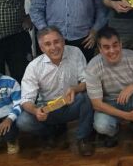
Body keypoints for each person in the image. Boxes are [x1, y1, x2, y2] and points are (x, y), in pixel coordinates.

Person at [16, 27, 94, 156]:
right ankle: (50, 132)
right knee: (23, 121)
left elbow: (87, 80)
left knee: (88, 97)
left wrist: (75, 88)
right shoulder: (34, 66)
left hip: (71, 103)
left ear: (63, 41)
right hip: (48, 108)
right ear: (42, 48)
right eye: (47, 44)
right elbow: (26, 99)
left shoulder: (75, 52)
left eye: (57, 41)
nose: (54, 47)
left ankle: (83, 138)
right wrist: (36, 111)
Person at [87, 26, 133, 156]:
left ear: (121, 44)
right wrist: (127, 116)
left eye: (115, 45)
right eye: (106, 47)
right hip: (108, 103)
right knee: (101, 126)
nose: (112, 50)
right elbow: (96, 104)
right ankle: (113, 133)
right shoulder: (93, 66)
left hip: (131, 99)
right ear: (100, 49)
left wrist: (132, 87)